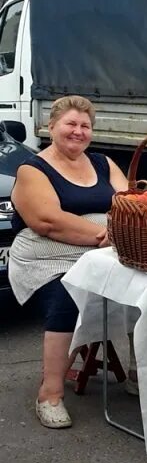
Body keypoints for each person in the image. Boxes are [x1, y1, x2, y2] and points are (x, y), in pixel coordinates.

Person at [8, 96, 130, 429]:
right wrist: (101, 234)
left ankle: (138, 373)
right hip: (44, 255)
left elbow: (129, 204)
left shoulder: (104, 163)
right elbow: (48, 221)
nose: (78, 132)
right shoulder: (32, 169)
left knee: (143, 283)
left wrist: (117, 230)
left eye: (85, 126)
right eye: (70, 124)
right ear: (52, 127)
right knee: (69, 292)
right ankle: (49, 394)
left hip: (101, 251)